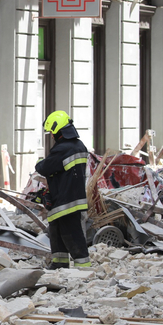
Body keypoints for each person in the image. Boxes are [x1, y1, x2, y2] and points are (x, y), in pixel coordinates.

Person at [35, 110, 91, 270]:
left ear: (58, 131)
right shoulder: (79, 146)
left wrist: (39, 162)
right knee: (57, 232)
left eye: (52, 131)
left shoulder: (62, 149)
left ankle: (84, 267)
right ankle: (60, 264)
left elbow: (45, 168)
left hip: (65, 201)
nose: (51, 135)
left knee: (72, 234)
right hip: (68, 198)